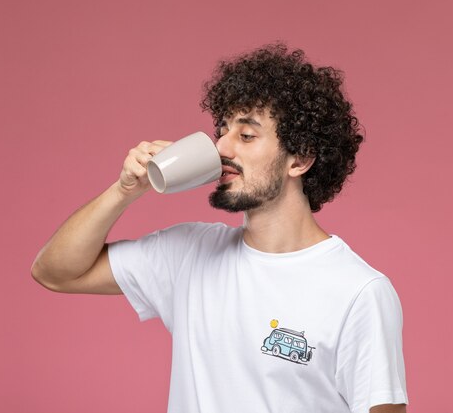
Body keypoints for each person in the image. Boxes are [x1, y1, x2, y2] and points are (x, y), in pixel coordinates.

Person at [31, 43, 408, 413]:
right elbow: (55, 272)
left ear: (301, 159)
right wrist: (124, 192)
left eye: (246, 135)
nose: (221, 148)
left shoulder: (360, 292)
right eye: (222, 130)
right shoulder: (187, 253)